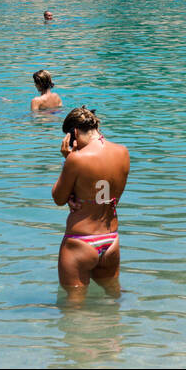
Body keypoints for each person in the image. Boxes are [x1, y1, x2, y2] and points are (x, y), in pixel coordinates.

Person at [52, 107, 129, 298]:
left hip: (81, 241)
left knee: (74, 310)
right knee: (114, 298)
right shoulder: (123, 152)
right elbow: (104, 191)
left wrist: (68, 159)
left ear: (75, 133)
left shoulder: (76, 159)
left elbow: (58, 198)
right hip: (111, 239)